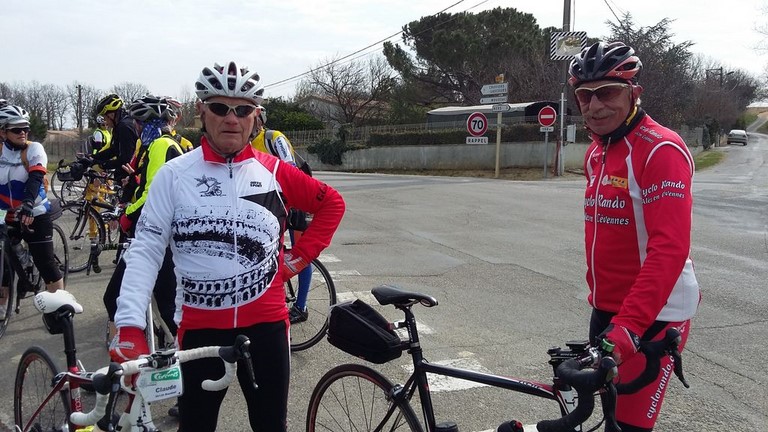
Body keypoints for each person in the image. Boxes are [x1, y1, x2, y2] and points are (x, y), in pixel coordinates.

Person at [110, 61, 345, 432]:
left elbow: (332, 203)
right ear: (202, 111)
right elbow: (146, 249)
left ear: (255, 116)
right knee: (196, 426)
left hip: (267, 327)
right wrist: (129, 325)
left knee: (271, 427)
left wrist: (296, 260)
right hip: (200, 331)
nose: (232, 119)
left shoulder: (275, 171)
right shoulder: (175, 175)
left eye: (243, 110)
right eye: (220, 108)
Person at [569, 41, 700, 432]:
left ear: (634, 93)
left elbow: (669, 249)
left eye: (607, 92)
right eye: (585, 96)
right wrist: (613, 319)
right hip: (607, 309)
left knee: (627, 426)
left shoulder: (661, 150)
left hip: (655, 314)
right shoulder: (597, 152)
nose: (595, 105)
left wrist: (629, 325)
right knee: (603, 415)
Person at [103, 95, 184, 346]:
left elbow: (153, 193)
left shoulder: (160, 144)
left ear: (150, 123)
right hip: (166, 234)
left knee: (115, 298)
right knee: (167, 308)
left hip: (159, 235)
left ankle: (125, 356)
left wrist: (127, 215)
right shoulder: (161, 144)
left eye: (139, 123)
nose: (136, 128)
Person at [0, 105, 65, 319]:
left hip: (34, 211)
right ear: (3, 131)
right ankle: (2, 304)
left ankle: (59, 309)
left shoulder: (33, 149)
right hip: (8, 213)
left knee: (45, 263)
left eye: (25, 129)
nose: (23, 133)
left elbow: (36, 177)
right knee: (4, 260)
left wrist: (28, 204)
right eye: (16, 129)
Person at [250, 105, 314, 324]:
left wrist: (289, 202)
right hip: (271, 207)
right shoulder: (245, 145)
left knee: (301, 255)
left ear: (260, 120)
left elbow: (291, 170)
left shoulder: (273, 138)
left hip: (296, 202)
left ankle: (301, 306)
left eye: (253, 117)